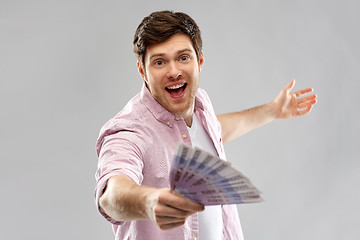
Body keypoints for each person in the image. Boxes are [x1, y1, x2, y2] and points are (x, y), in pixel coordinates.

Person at [94, 10, 317, 240]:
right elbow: (112, 194)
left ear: (199, 61)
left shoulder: (201, 105)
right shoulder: (129, 130)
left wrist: (272, 110)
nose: (173, 71)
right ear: (143, 70)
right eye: (159, 62)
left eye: (183, 57)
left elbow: (216, 131)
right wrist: (148, 202)